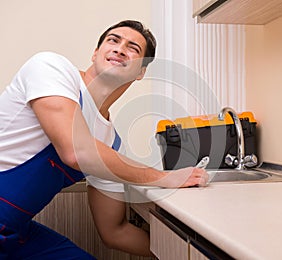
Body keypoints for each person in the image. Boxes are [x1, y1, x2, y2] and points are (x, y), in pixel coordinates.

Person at [0, 20, 208, 259]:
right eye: (113, 40)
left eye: (133, 48)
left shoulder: (110, 142)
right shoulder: (51, 68)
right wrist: (164, 177)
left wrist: (184, 251)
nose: (120, 49)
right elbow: (77, 151)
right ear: (95, 53)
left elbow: (114, 232)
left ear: (141, 72)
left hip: (15, 233)